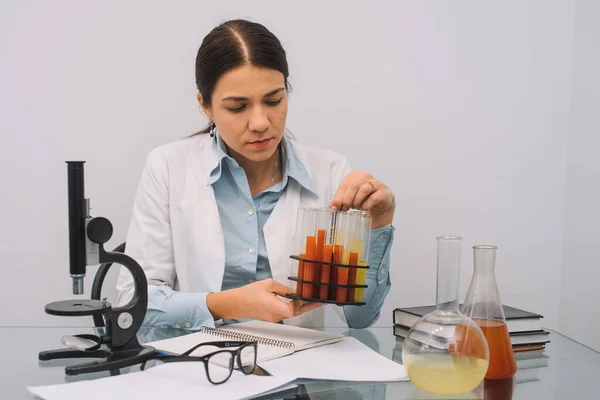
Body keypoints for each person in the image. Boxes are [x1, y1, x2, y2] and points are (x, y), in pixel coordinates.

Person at [115, 19, 395, 329]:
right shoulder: (167, 167)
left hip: (300, 370)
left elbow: (360, 318)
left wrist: (379, 223)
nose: (260, 122)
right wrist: (228, 304)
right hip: (200, 367)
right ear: (205, 106)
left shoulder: (330, 173)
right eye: (238, 107)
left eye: (273, 100)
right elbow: (134, 303)